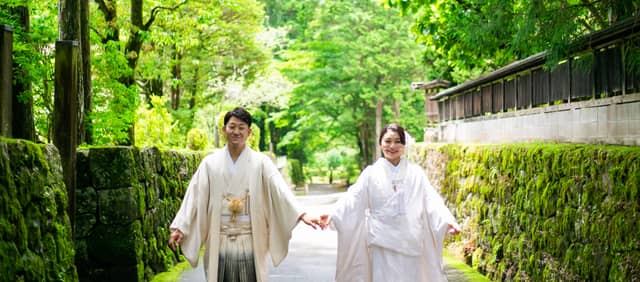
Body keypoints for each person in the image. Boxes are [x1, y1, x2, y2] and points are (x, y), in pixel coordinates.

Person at [168, 107, 320, 282]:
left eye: (241, 127)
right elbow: (194, 197)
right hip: (220, 238)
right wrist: (181, 227)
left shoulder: (262, 163)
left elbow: (280, 190)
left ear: (249, 132)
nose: (236, 131)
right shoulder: (209, 164)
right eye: (232, 127)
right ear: (224, 130)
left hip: (251, 238)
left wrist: (302, 214)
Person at [318, 123, 461, 282]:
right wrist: (332, 214)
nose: (392, 146)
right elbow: (353, 198)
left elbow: (431, 200)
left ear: (404, 145)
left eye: (397, 141)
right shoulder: (371, 174)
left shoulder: (416, 173)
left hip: (410, 240)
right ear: (380, 144)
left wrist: (447, 220)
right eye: (387, 141)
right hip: (381, 241)